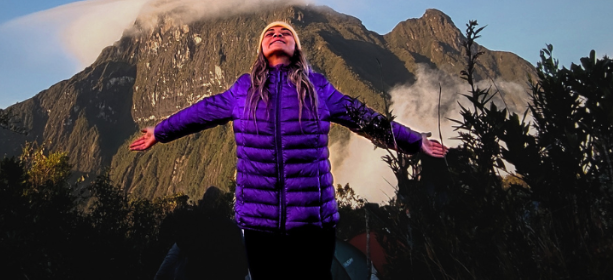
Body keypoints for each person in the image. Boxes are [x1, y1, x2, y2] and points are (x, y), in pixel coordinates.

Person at [130, 21, 447, 279]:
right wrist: (160, 131)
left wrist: (414, 141)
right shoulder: (243, 90)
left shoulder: (318, 88)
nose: (277, 35)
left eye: (285, 33)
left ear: (296, 49)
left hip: (313, 220)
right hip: (260, 222)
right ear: (261, 50)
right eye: (269, 33)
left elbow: (363, 117)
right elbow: (200, 113)